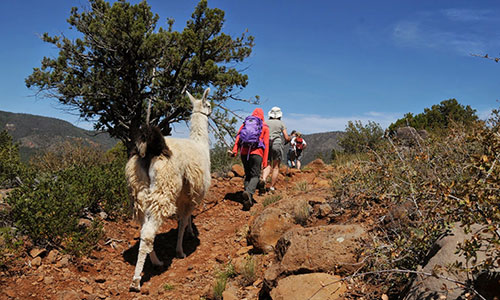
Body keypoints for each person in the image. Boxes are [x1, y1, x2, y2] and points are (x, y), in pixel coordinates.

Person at [230, 108, 270, 210]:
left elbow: (238, 138)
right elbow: (266, 144)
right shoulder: (264, 126)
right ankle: (249, 192)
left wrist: (235, 151)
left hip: (244, 153)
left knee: (248, 175)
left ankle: (247, 200)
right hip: (257, 153)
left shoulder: (245, 124)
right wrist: (265, 161)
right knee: (255, 175)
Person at [261, 107, 291, 191]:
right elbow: (286, 137)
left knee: (267, 164)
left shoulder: (265, 123)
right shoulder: (281, 123)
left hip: (266, 144)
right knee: (276, 167)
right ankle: (272, 187)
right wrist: (289, 139)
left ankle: (263, 180)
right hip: (277, 144)